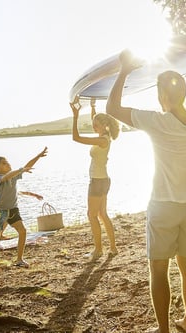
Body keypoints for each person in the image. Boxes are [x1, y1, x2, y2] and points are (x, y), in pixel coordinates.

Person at [106, 50, 186, 333]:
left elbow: (112, 108)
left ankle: (164, 330)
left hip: (162, 207)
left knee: (159, 270)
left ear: (165, 98)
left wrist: (123, 71)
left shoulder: (157, 121)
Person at [70, 97, 120, 261]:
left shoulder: (101, 140)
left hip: (98, 181)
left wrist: (75, 115)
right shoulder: (104, 136)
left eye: (96, 125)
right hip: (103, 180)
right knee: (102, 214)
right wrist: (93, 107)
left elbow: (76, 138)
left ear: (103, 125)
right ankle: (112, 248)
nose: (93, 126)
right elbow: (97, 120)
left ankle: (98, 250)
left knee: (92, 215)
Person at [0, 147, 48, 275]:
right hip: (0, 212)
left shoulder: (14, 176)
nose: (7, 163)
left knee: (22, 231)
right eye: (4, 163)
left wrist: (38, 156)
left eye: (7, 161)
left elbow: (27, 166)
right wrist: (21, 169)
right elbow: (7, 176)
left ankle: (19, 259)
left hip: (13, 209)